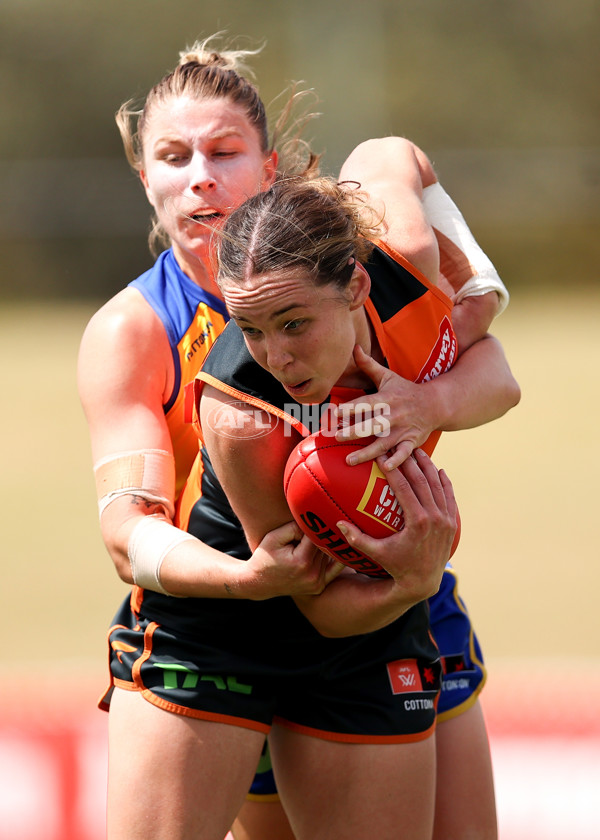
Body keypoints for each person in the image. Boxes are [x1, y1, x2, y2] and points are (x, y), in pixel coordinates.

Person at [76, 35, 517, 840]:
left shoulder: (369, 261)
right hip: (226, 602)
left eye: (224, 150)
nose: (200, 175)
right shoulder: (137, 335)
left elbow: (396, 155)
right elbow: (126, 527)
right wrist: (249, 580)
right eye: (173, 156)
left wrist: (473, 300)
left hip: (384, 580)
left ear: (271, 168)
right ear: (146, 179)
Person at [181, 174, 519, 840]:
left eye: (295, 324)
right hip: (237, 628)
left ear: (357, 288)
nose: (277, 355)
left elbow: (501, 382)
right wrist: (415, 578)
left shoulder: (403, 268)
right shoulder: (240, 416)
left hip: (376, 616)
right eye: (249, 328)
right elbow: (316, 604)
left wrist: (433, 391)